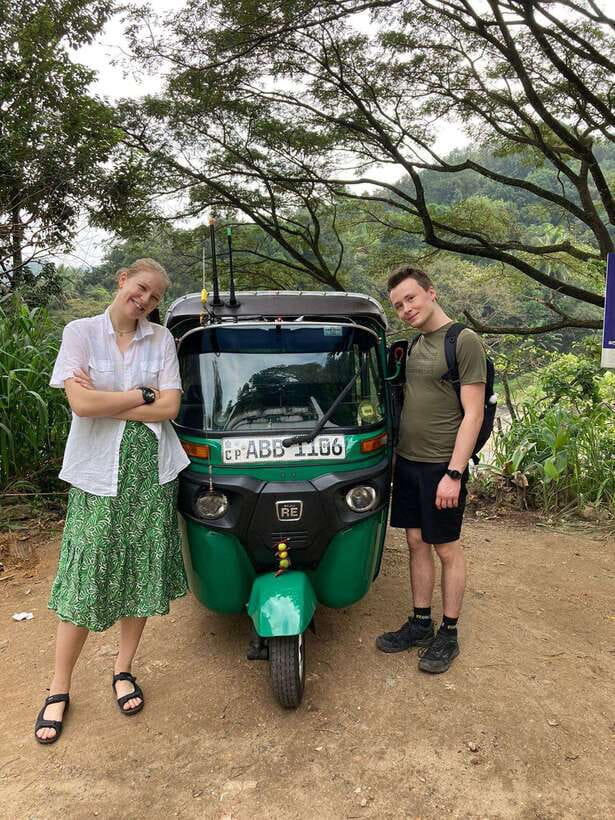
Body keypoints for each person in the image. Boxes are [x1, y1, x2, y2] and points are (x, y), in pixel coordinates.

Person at [34, 258, 190, 744]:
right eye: (141, 288)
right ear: (123, 280)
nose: (144, 300)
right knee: (88, 572)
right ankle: (59, 687)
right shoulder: (80, 332)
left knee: (141, 568)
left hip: (153, 472)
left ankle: (124, 669)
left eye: (155, 297)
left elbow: (169, 407)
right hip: (97, 472)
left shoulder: (161, 339)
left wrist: (114, 398)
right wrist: (139, 394)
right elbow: (80, 404)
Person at [376, 266, 485, 673]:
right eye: (399, 305)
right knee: (416, 543)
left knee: (446, 547)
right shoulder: (416, 344)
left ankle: (449, 632)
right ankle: (421, 622)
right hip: (409, 462)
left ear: (431, 293)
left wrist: (454, 474)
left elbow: (472, 414)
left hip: (443, 464)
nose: (406, 308)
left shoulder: (463, 341)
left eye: (411, 298)